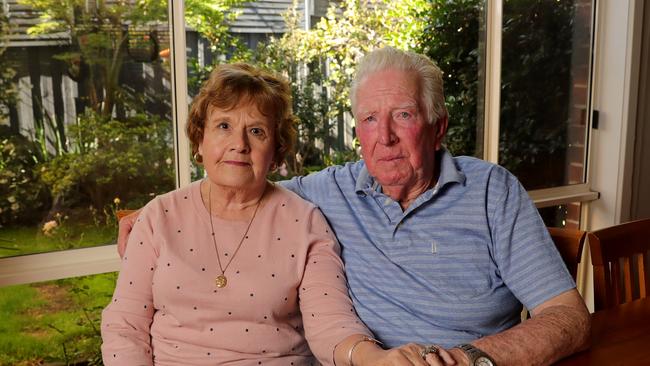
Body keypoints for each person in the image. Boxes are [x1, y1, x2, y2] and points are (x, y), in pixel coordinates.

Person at [119, 48, 591, 365]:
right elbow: (241, 182)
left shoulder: (492, 192)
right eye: (369, 119)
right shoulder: (327, 194)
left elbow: (568, 317)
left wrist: (471, 358)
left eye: (402, 115)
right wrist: (151, 214)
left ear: (438, 126)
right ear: (357, 131)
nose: (383, 136)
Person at [102, 63, 442, 366]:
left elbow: (330, 324)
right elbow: (125, 324)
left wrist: (376, 359)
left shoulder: (304, 222)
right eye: (223, 126)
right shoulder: (159, 216)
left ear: (276, 152)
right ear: (199, 141)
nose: (239, 144)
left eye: (256, 131)